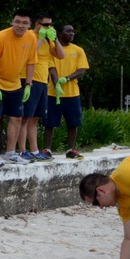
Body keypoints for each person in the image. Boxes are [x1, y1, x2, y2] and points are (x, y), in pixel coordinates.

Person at [0, 9, 37, 167]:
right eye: (18, 22)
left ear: (29, 25)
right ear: (12, 22)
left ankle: (11, 153)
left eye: (25, 23)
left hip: (15, 84)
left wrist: (28, 84)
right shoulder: (1, 36)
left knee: (17, 118)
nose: (21, 25)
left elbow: (31, 62)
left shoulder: (31, 38)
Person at [17, 13, 64, 161]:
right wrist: (40, 38)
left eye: (51, 24)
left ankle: (35, 150)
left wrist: (54, 39)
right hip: (28, 79)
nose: (49, 27)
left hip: (42, 81)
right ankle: (22, 150)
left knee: (35, 119)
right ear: (37, 25)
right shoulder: (29, 35)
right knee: (25, 117)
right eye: (45, 25)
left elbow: (61, 55)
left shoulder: (48, 40)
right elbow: (29, 54)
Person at [43, 24, 88, 160]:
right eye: (68, 31)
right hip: (53, 93)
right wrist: (56, 83)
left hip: (72, 93)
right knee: (49, 123)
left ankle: (71, 149)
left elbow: (82, 70)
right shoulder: (52, 50)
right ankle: (47, 150)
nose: (71, 33)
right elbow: (51, 69)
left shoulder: (78, 50)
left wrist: (66, 79)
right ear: (60, 33)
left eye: (73, 31)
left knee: (73, 123)